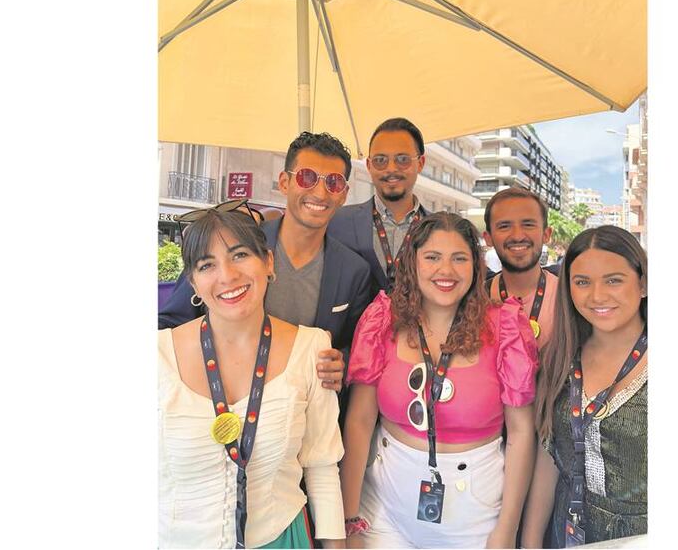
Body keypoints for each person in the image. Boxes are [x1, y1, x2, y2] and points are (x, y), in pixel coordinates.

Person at [340, 212, 539, 548]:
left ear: (475, 267)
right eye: (432, 257)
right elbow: (360, 421)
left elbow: (520, 433)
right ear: (412, 263)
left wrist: (507, 529)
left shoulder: (505, 327)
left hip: (475, 513)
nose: (445, 271)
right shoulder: (383, 320)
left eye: (459, 259)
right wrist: (346, 517)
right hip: (384, 505)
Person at [158, 209, 346, 548]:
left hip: (280, 537)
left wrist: (335, 544)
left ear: (269, 263)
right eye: (206, 265)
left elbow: (321, 465)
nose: (227, 276)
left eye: (240, 255)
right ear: (193, 282)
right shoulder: (156, 355)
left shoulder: (312, 349)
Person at [160, 133, 375, 386]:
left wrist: (342, 364)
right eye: (307, 178)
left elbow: (354, 346)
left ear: (344, 194)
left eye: (334, 183)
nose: (320, 192)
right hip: (220, 394)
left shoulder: (354, 271)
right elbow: (169, 324)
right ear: (284, 182)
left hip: (297, 405)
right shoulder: (237, 247)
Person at [521, 226, 648, 547]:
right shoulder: (559, 359)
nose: (597, 296)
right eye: (582, 282)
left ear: (643, 283)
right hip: (566, 532)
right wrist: (531, 541)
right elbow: (549, 460)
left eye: (613, 280)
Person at [329, 118, 429, 296]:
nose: (391, 168)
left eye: (403, 159)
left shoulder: (439, 229)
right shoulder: (336, 222)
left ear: (420, 163)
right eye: (380, 160)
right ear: (368, 165)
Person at [482, 187, 561, 347]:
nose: (517, 236)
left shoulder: (569, 298)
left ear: (546, 234)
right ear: (488, 238)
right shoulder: (475, 301)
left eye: (528, 224)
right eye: (504, 226)